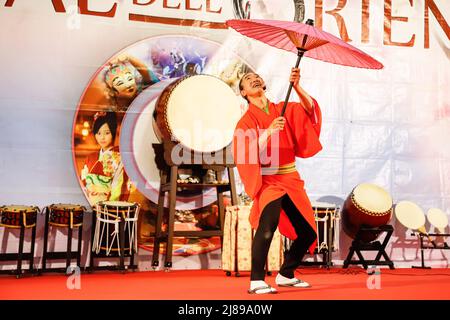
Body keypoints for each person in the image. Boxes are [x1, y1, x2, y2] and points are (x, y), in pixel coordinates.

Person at [232, 68, 323, 294]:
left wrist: (298, 86)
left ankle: (286, 274)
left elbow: (310, 111)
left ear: (263, 84)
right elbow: (245, 154)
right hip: (269, 181)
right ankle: (256, 281)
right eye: (247, 80)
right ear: (243, 92)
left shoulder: (283, 109)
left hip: (290, 179)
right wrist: (268, 131)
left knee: (309, 233)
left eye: (256, 77)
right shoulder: (246, 121)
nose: (253, 79)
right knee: (267, 227)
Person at [80, 111, 130, 205]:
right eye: (98, 133)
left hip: (109, 209)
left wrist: (108, 207)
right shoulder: (90, 158)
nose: (102, 137)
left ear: (113, 133)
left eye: (107, 133)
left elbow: (119, 187)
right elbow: (83, 183)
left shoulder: (119, 158)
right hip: (90, 204)